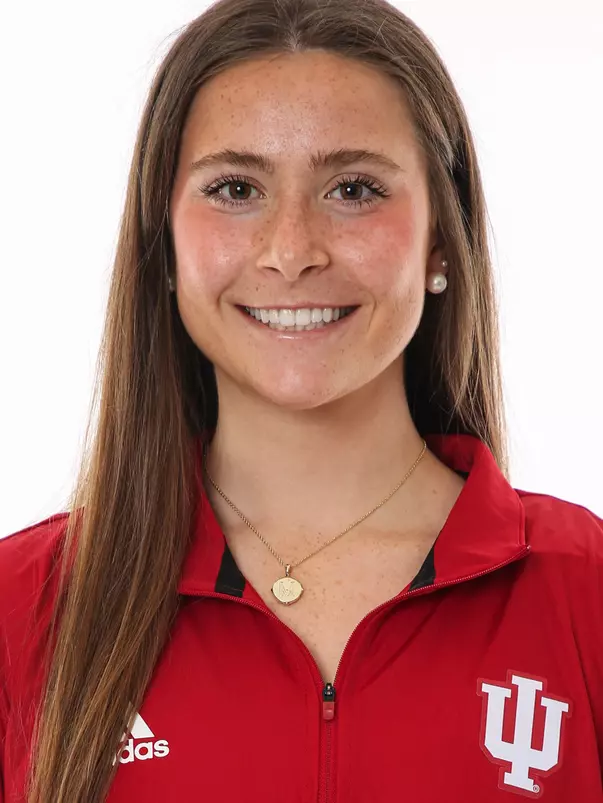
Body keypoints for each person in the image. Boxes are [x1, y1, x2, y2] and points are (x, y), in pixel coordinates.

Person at [1, 0, 602, 800]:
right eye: (235, 187)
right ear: (166, 243)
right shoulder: (23, 607)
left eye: (352, 188)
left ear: (438, 241)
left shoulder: (583, 592)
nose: (291, 251)